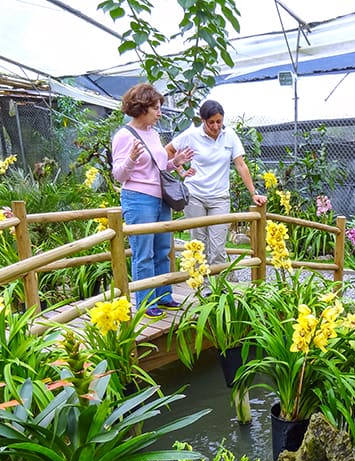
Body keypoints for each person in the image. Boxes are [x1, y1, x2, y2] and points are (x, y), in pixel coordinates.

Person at [111, 83, 195, 318]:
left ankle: (163, 296)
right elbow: (119, 174)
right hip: (138, 199)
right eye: (156, 108)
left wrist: (176, 161)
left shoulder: (154, 133)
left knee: (162, 249)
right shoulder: (124, 136)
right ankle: (146, 302)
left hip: (161, 198)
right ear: (142, 108)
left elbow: (157, 167)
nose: (159, 113)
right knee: (144, 252)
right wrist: (130, 159)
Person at [166, 100, 266, 274]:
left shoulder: (230, 135)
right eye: (211, 122)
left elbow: (241, 165)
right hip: (195, 195)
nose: (215, 126)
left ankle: (217, 289)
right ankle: (201, 286)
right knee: (198, 242)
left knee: (218, 245)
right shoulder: (192, 135)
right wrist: (181, 170)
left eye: (219, 121)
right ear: (203, 120)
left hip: (219, 197)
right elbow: (168, 150)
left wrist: (253, 193)